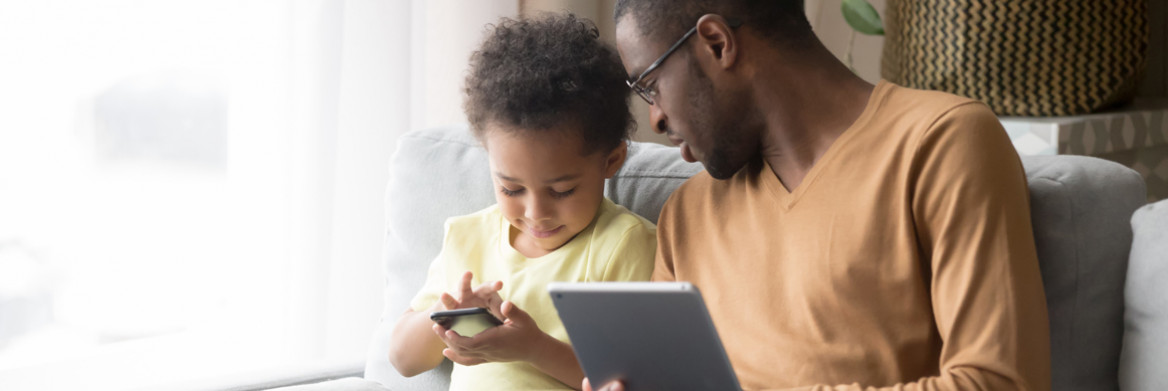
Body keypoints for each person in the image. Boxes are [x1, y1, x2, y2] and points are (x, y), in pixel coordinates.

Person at [586, 0, 1052, 390]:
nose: (656, 119)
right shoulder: (686, 215)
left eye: (650, 86)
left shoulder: (939, 143)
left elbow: (999, 381)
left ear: (716, 43)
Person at [387, 13, 657, 391]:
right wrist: (449, 317)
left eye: (562, 191)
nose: (535, 213)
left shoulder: (624, 244)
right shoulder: (468, 237)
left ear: (611, 160)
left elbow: (634, 380)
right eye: (511, 189)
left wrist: (533, 348)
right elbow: (402, 359)